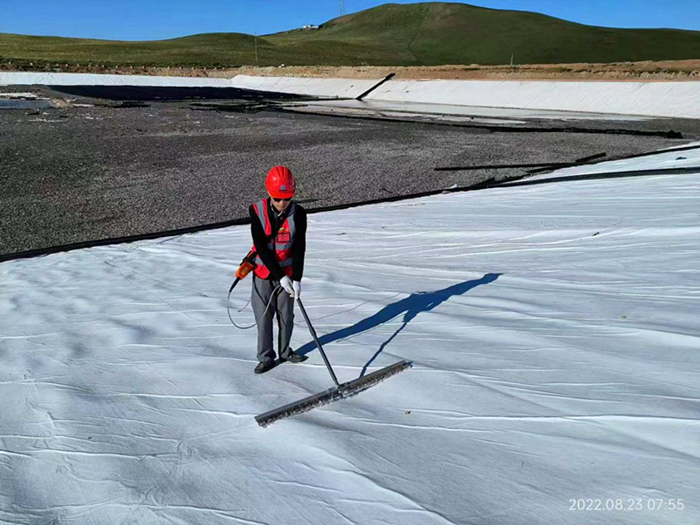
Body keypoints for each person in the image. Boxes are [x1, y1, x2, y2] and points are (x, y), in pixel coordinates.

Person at [249, 165, 309, 374]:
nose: (282, 204)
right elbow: (261, 247)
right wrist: (280, 276)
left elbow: (299, 246)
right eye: (277, 199)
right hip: (264, 273)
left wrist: (297, 278)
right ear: (269, 193)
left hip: (289, 273)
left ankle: (285, 352)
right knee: (264, 318)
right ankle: (266, 357)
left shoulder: (299, 213)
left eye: (287, 198)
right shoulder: (256, 211)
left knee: (286, 316)